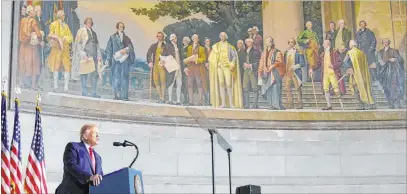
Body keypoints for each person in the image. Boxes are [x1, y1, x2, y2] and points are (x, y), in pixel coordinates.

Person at [55, 124, 103, 194]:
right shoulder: (74, 147)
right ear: (85, 135)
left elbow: (100, 177)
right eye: (95, 133)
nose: (98, 136)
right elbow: (71, 165)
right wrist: (89, 177)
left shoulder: (98, 157)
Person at [208, 32, 243, 108]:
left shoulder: (230, 46)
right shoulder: (216, 46)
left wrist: (232, 63)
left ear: (226, 37)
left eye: (223, 36)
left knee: (229, 84)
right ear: (220, 36)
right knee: (221, 83)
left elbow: (234, 56)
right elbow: (211, 58)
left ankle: (231, 103)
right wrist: (215, 63)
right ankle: (223, 103)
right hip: (219, 67)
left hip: (227, 67)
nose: (222, 37)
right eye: (221, 36)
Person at [310, 40, 345, 110]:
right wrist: (312, 69)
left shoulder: (334, 52)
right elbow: (318, 63)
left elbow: (340, 62)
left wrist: (333, 66)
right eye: (323, 44)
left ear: (328, 44)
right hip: (325, 74)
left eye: (324, 44)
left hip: (333, 73)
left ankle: (342, 106)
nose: (323, 45)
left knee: (336, 89)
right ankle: (329, 106)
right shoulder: (322, 54)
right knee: (325, 89)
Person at [73, 18, 102, 98]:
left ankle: (93, 92)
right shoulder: (81, 31)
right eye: (88, 22)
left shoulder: (94, 33)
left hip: (94, 56)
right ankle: (84, 91)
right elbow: (79, 44)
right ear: (85, 23)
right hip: (86, 56)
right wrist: (83, 54)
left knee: (95, 75)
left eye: (91, 22)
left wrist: (99, 56)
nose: (90, 23)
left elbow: (97, 46)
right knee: (84, 74)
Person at [105, 22, 135, 101]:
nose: (121, 28)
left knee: (125, 77)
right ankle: (116, 95)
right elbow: (109, 49)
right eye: (120, 26)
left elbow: (131, 48)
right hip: (116, 60)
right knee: (116, 78)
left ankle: (124, 96)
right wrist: (108, 59)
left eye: (122, 26)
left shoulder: (127, 38)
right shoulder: (112, 37)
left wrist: (127, 50)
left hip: (124, 61)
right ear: (117, 27)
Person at [343, 40, 376, 110]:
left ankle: (362, 105)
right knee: (364, 88)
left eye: (349, 44)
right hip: (363, 75)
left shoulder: (350, 53)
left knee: (356, 90)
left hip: (356, 75)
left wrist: (349, 68)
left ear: (351, 45)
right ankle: (368, 104)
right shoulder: (362, 53)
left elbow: (345, 61)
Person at [373, 38, 405, 108]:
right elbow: (377, 62)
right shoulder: (379, 52)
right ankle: (390, 102)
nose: (385, 43)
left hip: (392, 72)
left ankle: (394, 103)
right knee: (385, 88)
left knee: (393, 87)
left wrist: (395, 59)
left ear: (389, 43)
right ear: (382, 43)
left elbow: (401, 59)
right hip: (383, 73)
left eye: (386, 42)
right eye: (384, 42)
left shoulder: (394, 51)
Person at [47, 10, 73, 92]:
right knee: (56, 66)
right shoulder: (54, 24)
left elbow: (71, 37)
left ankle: (66, 87)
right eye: (63, 15)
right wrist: (58, 39)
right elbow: (50, 35)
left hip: (65, 49)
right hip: (57, 49)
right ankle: (55, 86)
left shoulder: (66, 26)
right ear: (60, 16)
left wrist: (65, 38)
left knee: (67, 67)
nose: (64, 16)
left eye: (64, 15)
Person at [18, 5, 42, 90]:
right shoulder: (33, 21)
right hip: (31, 46)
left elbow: (19, 32)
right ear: (30, 12)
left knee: (23, 64)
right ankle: (33, 85)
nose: (34, 12)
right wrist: (40, 37)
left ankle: (21, 83)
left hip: (23, 46)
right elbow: (38, 34)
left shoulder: (22, 20)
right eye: (33, 11)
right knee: (34, 65)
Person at [258, 37, 285, 110]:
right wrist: (261, 70)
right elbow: (261, 62)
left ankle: (276, 105)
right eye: (266, 41)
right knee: (268, 89)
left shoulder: (277, 51)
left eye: (269, 41)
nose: (268, 43)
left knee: (275, 88)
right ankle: (271, 105)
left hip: (275, 73)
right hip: (266, 73)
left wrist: (272, 66)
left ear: (272, 42)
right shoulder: (264, 52)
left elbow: (280, 61)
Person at [184, 34, 206, 105]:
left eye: (196, 38)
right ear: (192, 39)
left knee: (199, 83)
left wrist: (197, 60)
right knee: (189, 84)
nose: (195, 39)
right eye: (194, 38)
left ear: (198, 39)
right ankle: (191, 101)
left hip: (198, 68)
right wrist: (187, 64)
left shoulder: (202, 48)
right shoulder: (189, 47)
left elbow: (203, 58)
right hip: (190, 68)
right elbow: (188, 57)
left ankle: (200, 101)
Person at [284, 38, 305, 109]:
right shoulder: (286, 52)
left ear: (294, 43)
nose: (290, 43)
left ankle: (300, 104)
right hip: (288, 73)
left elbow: (302, 63)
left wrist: (294, 67)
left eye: (292, 42)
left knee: (298, 88)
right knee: (287, 88)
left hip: (295, 73)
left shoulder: (298, 52)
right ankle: (290, 104)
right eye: (289, 42)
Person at [356, 20, 378, 86]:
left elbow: (374, 41)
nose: (362, 25)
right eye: (361, 24)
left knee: (372, 66)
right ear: (359, 25)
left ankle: (375, 80)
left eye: (364, 24)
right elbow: (357, 42)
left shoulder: (369, 32)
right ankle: (366, 81)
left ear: (366, 25)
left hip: (369, 52)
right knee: (363, 66)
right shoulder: (358, 33)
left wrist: (370, 49)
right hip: (361, 52)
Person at [147, 32, 167, 103]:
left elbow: (169, 55)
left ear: (163, 37)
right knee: (156, 81)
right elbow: (149, 53)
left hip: (162, 66)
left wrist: (165, 61)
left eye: (161, 36)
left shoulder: (166, 46)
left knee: (163, 81)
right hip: (155, 66)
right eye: (158, 36)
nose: (159, 37)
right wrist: (150, 62)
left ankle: (163, 98)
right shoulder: (154, 46)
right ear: (157, 37)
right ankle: (161, 97)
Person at [162, 34, 183, 105]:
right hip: (172, 67)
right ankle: (170, 100)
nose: (176, 39)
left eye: (176, 38)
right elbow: (164, 55)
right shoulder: (167, 46)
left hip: (179, 68)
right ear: (172, 39)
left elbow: (181, 57)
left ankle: (178, 101)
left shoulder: (178, 46)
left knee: (179, 84)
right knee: (171, 83)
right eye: (175, 38)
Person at [242, 38, 261, 109]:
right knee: (245, 87)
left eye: (249, 42)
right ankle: (247, 104)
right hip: (246, 71)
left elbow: (259, 62)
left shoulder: (256, 51)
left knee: (255, 88)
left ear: (252, 43)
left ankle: (255, 104)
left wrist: (251, 65)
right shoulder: (244, 51)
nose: (248, 43)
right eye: (246, 42)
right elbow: (241, 60)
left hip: (253, 71)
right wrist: (243, 64)